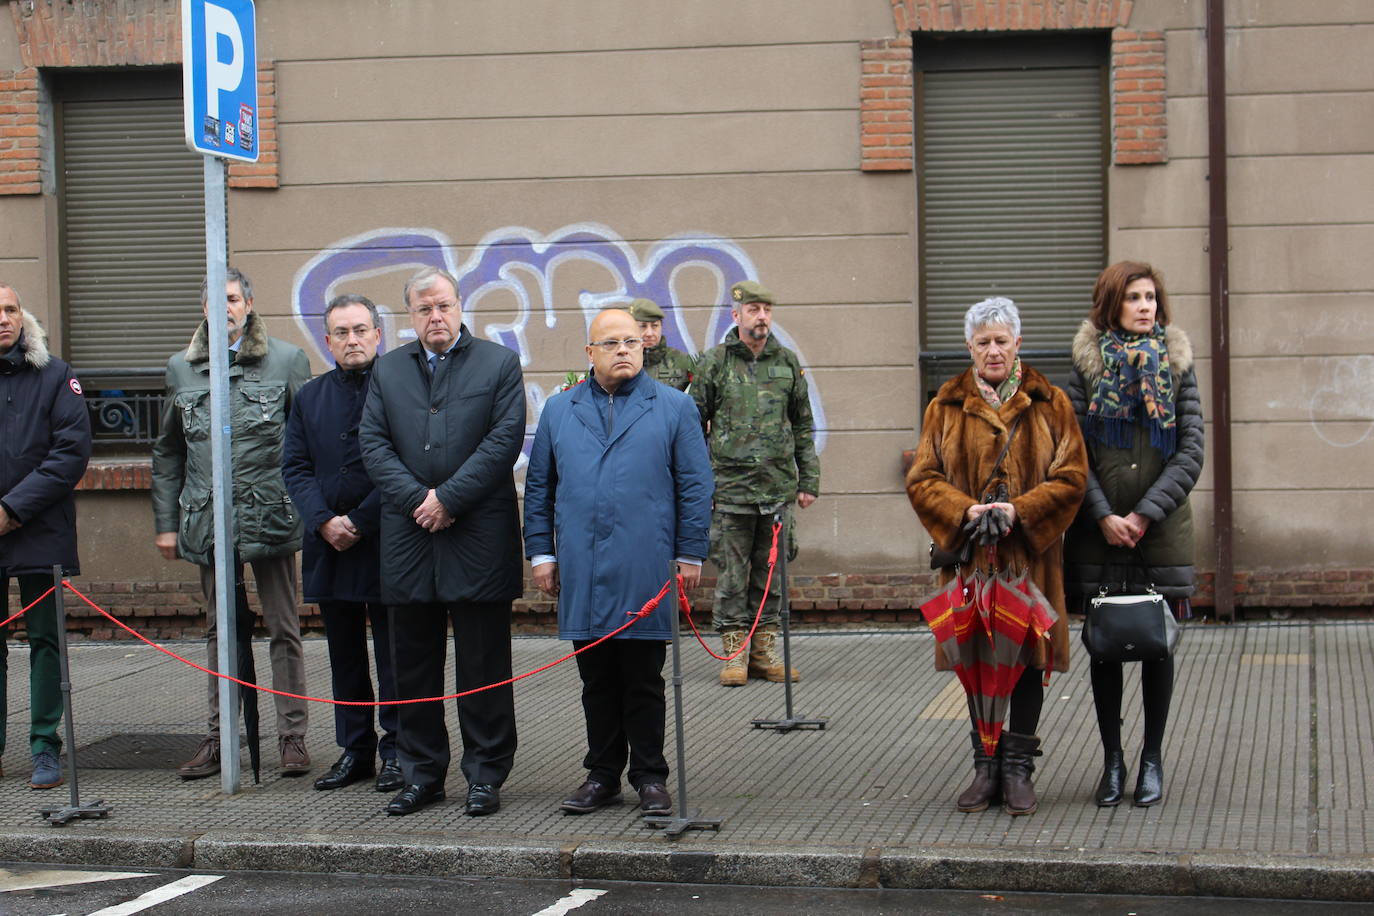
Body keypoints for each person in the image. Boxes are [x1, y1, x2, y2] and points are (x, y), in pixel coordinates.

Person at [524, 308, 713, 816]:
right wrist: (542, 552)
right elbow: (540, 487)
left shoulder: (673, 407)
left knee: (643, 677)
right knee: (596, 679)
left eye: (631, 341)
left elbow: (695, 485)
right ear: (590, 354)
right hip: (583, 567)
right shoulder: (561, 412)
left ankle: (650, 776)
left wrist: (690, 552)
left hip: (646, 564)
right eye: (611, 343)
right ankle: (602, 774)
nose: (625, 350)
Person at [906, 297, 1087, 816]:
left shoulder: (1051, 403)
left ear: (1018, 345)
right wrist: (964, 511)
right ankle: (985, 767)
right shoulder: (944, 406)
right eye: (982, 342)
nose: (992, 351)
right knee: (977, 659)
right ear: (969, 347)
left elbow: (1073, 477)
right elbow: (922, 479)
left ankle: (1018, 769)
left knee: (1028, 659)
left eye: (1001, 341)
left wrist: (1020, 510)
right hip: (971, 562)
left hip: (1029, 560)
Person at [359, 267, 525, 818]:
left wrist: (449, 498)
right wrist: (418, 500)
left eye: (444, 306)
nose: (436, 317)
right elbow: (374, 443)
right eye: (424, 309)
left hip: (477, 533)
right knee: (412, 664)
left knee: (483, 662)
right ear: (410, 315)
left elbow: (503, 441)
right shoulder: (387, 371)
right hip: (409, 537)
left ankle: (485, 773)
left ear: (460, 307)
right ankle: (422, 773)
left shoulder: (498, 363)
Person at [151, 267, 313, 780]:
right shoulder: (181, 368)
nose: (224, 308)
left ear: (248, 305)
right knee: (220, 631)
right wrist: (166, 522)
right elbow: (168, 451)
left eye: (233, 299)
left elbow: (307, 443)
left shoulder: (285, 360)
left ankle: (292, 736)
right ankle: (222, 736)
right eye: (214, 301)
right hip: (208, 520)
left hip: (269, 513)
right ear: (203, 309)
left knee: (284, 628)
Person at [1063, 261, 1203, 809]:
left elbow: (1190, 452)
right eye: (1134, 298)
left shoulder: (1177, 365)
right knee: (1105, 648)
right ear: (1111, 304)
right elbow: (1071, 454)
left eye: (1151, 297)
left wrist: (1144, 514)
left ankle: (1152, 758)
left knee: (1156, 647)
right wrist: (1101, 514)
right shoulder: (1085, 370)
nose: (1146, 306)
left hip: (1159, 533)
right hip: (1100, 533)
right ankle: (1112, 761)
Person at [282, 294, 403, 794]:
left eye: (360, 330)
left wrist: (359, 519)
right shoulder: (310, 396)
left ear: (378, 334)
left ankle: (398, 750)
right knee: (344, 654)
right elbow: (295, 466)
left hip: (386, 543)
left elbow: (408, 464)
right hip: (329, 545)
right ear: (327, 341)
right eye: (341, 333)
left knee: (395, 654)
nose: (352, 341)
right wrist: (323, 520)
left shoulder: (400, 389)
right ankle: (355, 749)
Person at [692, 280, 819, 687]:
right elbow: (692, 424)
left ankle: (764, 652)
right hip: (729, 489)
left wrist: (808, 480)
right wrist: (700, 483)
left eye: (766, 309)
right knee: (732, 574)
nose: (761, 316)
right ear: (737, 315)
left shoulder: (786, 362)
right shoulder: (715, 363)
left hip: (777, 489)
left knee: (770, 574)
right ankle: (734, 652)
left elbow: (802, 424)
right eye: (753, 310)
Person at [0, 284, 92, 789]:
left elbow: (70, 453)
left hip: (42, 529)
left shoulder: (56, 376)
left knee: (45, 642)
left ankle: (44, 748)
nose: (3, 319)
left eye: (10, 309)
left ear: (22, 316)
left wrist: (11, 509)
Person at [628, 298, 694, 391]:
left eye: (654, 326)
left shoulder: (682, 361)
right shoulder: (622, 361)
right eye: (643, 326)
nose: (650, 333)